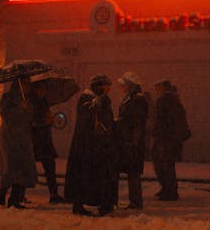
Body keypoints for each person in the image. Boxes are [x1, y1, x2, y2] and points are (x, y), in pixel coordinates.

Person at [64, 74, 118, 217]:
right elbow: (89, 119)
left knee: (88, 176)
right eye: (106, 86)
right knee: (84, 175)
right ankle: (81, 204)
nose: (108, 89)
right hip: (88, 146)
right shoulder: (88, 99)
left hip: (94, 146)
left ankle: (88, 203)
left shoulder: (95, 100)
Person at [0, 78, 38, 209]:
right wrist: (20, 108)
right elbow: (6, 115)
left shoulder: (28, 99)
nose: (28, 87)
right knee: (11, 168)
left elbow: (30, 119)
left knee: (23, 168)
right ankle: (3, 191)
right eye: (26, 84)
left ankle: (15, 198)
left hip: (24, 138)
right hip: (10, 137)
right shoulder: (8, 98)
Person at [26, 78, 65, 204]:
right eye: (42, 88)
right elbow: (31, 121)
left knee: (50, 168)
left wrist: (49, 120)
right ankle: (17, 193)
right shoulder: (30, 102)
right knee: (28, 167)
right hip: (36, 140)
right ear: (36, 89)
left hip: (44, 140)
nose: (45, 91)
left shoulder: (42, 101)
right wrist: (44, 122)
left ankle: (53, 193)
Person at [115, 71, 149, 210]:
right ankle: (134, 200)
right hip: (128, 139)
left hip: (131, 141)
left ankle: (135, 201)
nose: (121, 87)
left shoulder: (137, 99)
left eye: (123, 85)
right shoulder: (131, 98)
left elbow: (137, 122)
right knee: (131, 171)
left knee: (133, 171)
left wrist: (134, 141)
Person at [151, 79, 190, 201]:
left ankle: (169, 190)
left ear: (163, 88)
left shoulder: (165, 100)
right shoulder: (174, 99)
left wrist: (157, 131)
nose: (156, 91)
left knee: (164, 164)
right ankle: (169, 188)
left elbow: (162, 120)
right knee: (167, 164)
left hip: (166, 138)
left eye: (157, 88)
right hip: (170, 138)